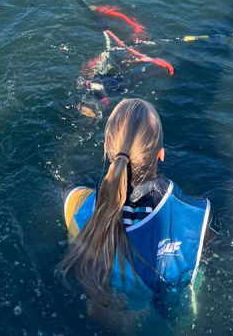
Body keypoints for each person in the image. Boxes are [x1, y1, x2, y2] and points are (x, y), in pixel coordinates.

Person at [60, 98, 210, 310]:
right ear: (161, 154)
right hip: (158, 317)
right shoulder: (196, 217)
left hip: (99, 311)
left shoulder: (75, 205)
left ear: (106, 149)